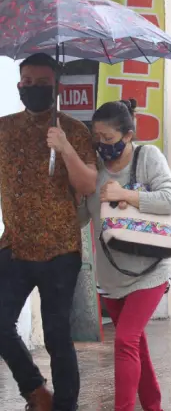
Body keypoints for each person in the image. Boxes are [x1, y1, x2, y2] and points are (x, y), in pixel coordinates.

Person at [0, 53, 97, 410]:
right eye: (28, 83)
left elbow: (88, 185)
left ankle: (66, 405)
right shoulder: (4, 128)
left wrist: (66, 148)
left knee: (57, 336)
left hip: (60, 249)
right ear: (19, 86)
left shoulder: (73, 130)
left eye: (43, 83)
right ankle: (36, 392)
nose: (34, 89)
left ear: (56, 87)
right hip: (14, 245)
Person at [76, 99, 171, 411]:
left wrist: (127, 195)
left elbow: (170, 199)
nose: (103, 145)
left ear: (128, 135)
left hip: (150, 271)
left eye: (108, 139)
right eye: (98, 138)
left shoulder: (147, 157)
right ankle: (153, 405)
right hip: (110, 275)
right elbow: (82, 218)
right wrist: (78, 190)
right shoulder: (93, 169)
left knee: (125, 341)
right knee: (135, 343)